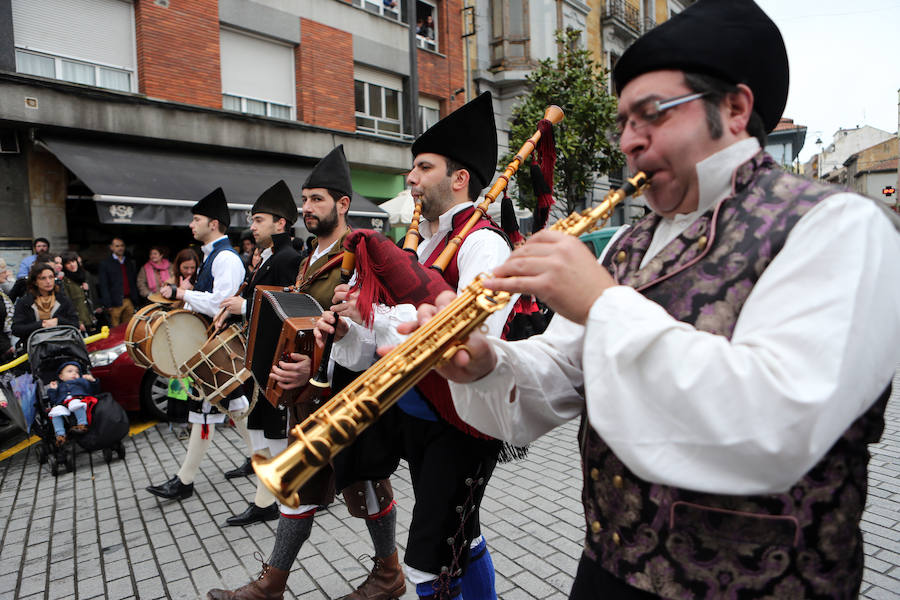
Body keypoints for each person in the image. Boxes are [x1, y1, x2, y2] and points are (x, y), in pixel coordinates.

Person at [406, 2, 900, 598]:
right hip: (608, 568)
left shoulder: (839, 226)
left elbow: (780, 423)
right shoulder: (628, 243)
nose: (630, 143)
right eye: (624, 122)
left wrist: (601, 303)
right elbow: (561, 373)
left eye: (652, 115)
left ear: (736, 109)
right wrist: (488, 363)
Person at [321, 93, 512, 600]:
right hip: (420, 419)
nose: (410, 178)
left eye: (423, 167)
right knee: (462, 539)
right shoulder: (424, 245)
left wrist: (378, 315)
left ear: (459, 178)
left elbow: (474, 340)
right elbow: (381, 351)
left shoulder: (483, 244)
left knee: (427, 562)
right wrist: (352, 329)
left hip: (464, 421)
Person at [207, 146, 403, 600]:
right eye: (305, 200)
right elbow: (305, 322)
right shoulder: (306, 259)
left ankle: (389, 573)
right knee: (300, 487)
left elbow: (363, 331)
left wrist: (312, 371)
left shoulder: (365, 254)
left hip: (348, 391)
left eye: (317, 199)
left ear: (343, 204)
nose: (307, 209)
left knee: (367, 483)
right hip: (309, 398)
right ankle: (272, 583)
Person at [146, 188, 251, 501]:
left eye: (197, 219)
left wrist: (183, 295)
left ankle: (184, 481)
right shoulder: (212, 257)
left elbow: (223, 304)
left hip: (219, 351)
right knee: (234, 408)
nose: (192, 224)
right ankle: (260, 458)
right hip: (211, 351)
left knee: (206, 413)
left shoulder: (227, 259)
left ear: (214, 223)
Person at [217, 180, 302, 527]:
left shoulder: (288, 258)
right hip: (259, 360)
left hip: (274, 361)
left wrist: (245, 304)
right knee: (260, 434)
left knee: (275, 436)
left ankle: (286, 499)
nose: (252, 227)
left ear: (280, 224)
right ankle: (270, 498)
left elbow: (290, 308)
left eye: (259, 220)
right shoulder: (270, 258)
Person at [12, 263, 79, 343]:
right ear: (35, 282)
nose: (48, 281)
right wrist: (41, 325)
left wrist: (58, 321)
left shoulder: (63, 300)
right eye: (43, 278)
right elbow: (16, 329)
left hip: (63, 345)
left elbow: (75, 324)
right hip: (35, 348)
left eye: (51, 277)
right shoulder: (24, 302)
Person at [47, 362, 97, 446]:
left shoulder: (81, 382)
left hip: (78, 399)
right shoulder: (60, 386)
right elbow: (54, 400)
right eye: (70, 371)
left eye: (77, 372)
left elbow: (93, 391)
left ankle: (82, 424)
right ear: (61, 377)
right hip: (64, 404)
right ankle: (60, 435)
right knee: (55, 411)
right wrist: (53, 390)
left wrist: (92, 381)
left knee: (75, 403)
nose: (74, 373)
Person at [97, 237, 139, 326]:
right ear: (111, 247)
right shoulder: (105, 264)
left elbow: (133, 281)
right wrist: (108, 304)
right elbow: (104, 285)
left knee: (128, 328)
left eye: (122, 245)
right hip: (114, 302)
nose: (120, 248)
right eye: (117, 246)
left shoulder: (129, 262)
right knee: (114, 330)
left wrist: (135, 299)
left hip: (129, 300)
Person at [60, 252, 96, 333]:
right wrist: (78, 322)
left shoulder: (83, 275)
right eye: (68, 263)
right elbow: (68, 303)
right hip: (79, 320)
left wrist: (87, 290)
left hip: (90, 317)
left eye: (73, 261)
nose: (72, 265)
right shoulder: (65, 281)